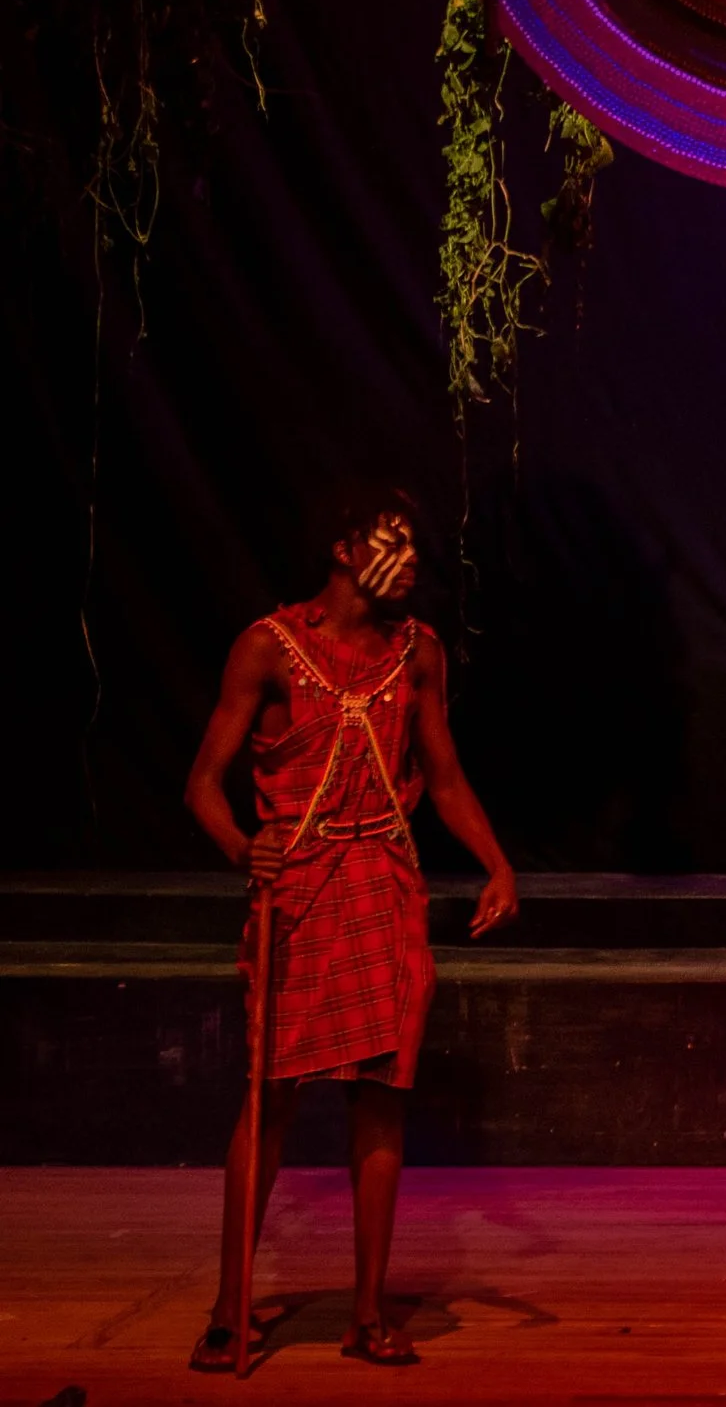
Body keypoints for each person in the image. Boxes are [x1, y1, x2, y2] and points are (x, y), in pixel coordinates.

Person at [182, 486, 518, 1371]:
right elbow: (203, 787)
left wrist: (498, 863)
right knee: (273, 1095)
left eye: (415, 548)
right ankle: (230, 1307)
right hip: (297, 886)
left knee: (380, 1098)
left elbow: (441, 778)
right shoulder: (271, 648)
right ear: (342, 548)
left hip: (382, 884)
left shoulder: (419, 654)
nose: (409, 562)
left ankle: (368, 1315)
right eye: (390, 543)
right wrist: (239, 849)